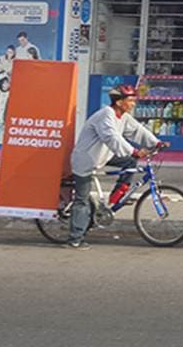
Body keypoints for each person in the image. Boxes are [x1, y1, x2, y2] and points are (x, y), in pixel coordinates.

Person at [65, 84, 162, 250]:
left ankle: (118, 195)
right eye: (130, 100)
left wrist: (156, 142)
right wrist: (134, 151)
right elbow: (112, 137)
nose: (133, 104)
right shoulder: (106, 115)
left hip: (103, 156)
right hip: (85, 160)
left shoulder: (123, 116)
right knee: (82, 200)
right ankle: (75, 238)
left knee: (129, 162)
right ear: (119, 102)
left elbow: (137, 131)